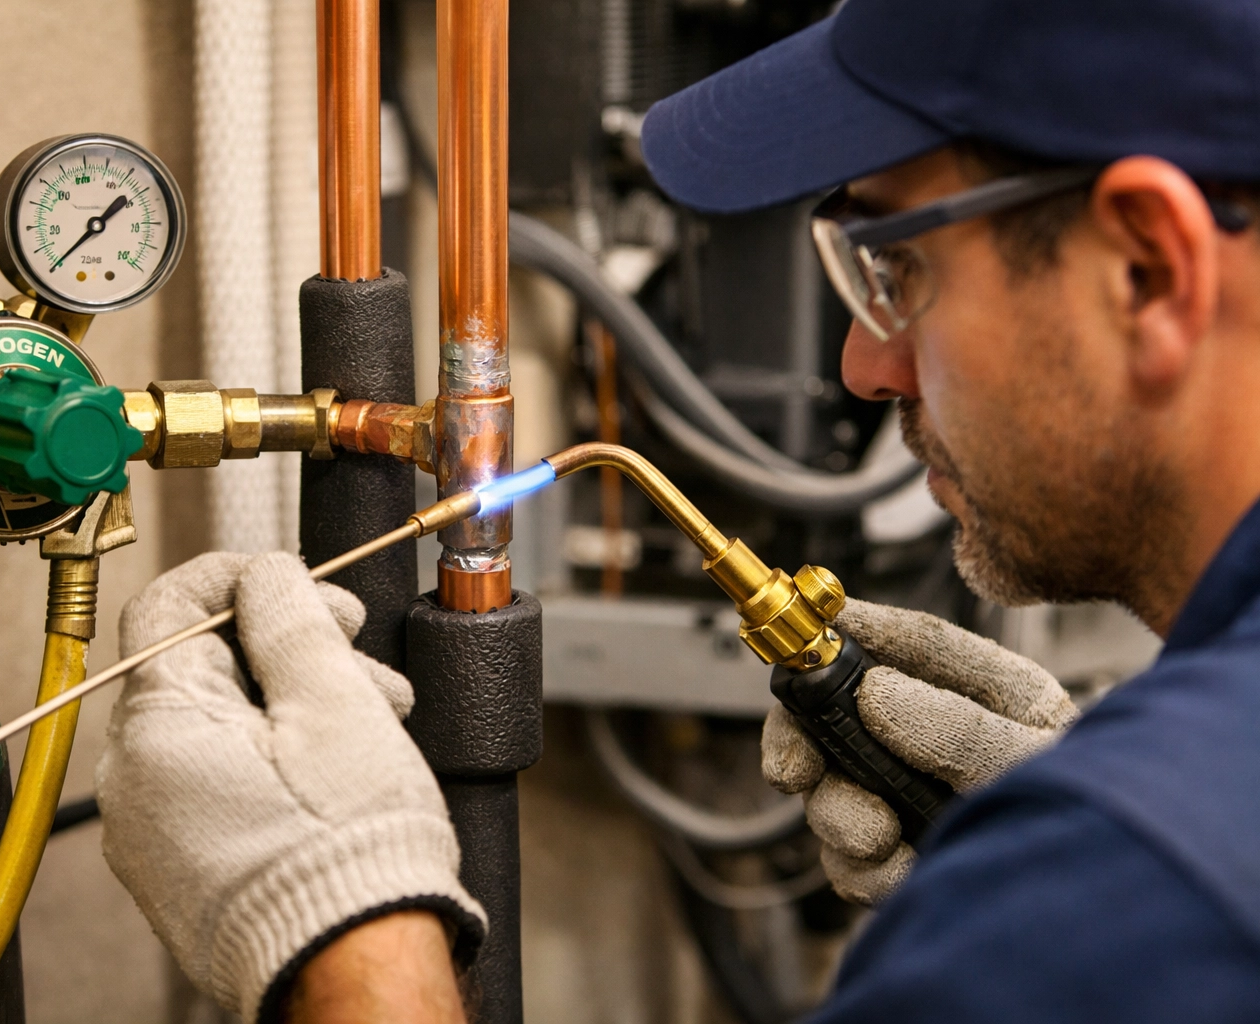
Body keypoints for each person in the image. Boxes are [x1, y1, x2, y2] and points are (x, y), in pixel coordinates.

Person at [95, 0, 1260, 1020]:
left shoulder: (1150, 888)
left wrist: (348, 945)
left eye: (895, 268)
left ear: (1146, 269)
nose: (864, 363)